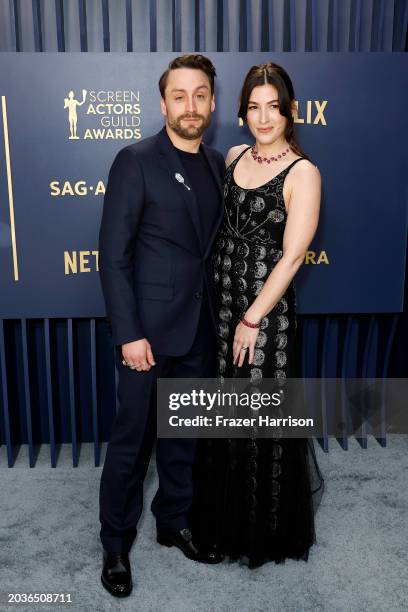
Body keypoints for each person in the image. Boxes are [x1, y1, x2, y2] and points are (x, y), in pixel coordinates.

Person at [98, 54, 225, 598]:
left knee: (184, 438)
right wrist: (129, 333)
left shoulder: (219, 164)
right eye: (180, 95)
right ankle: (116, 545)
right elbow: (113, 255)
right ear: (163, 103)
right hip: (146, 335)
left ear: (212, 103)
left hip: (199, 330)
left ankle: (173, 523)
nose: (190, 105)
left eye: (200, 95)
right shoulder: (136, 160)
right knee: (132, 444)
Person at [190, 62, 325, 568]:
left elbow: (291, 257)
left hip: (264, 319)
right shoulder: (233, 156)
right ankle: (222, 523)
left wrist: (252, 319)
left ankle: (262, 533)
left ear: (288, 110)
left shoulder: (303, 172)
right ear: (243, 111)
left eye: (273, 106)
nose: (263, 118)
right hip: (222, 307)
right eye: (253, 107)